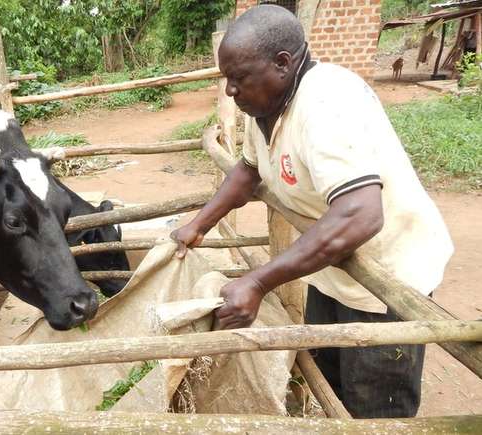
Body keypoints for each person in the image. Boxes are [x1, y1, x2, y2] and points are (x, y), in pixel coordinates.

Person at [171, 5, 453, 418]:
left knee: (375, 407)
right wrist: (198, 224)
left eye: (238, 78)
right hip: (333, 270)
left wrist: (257, 282)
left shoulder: (326, 102)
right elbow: (248, 171)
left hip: (389, 278)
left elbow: (360, 214)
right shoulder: (265, 106)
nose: (230, 91)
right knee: (330, 379)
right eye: (226, 80)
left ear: (283, 64)